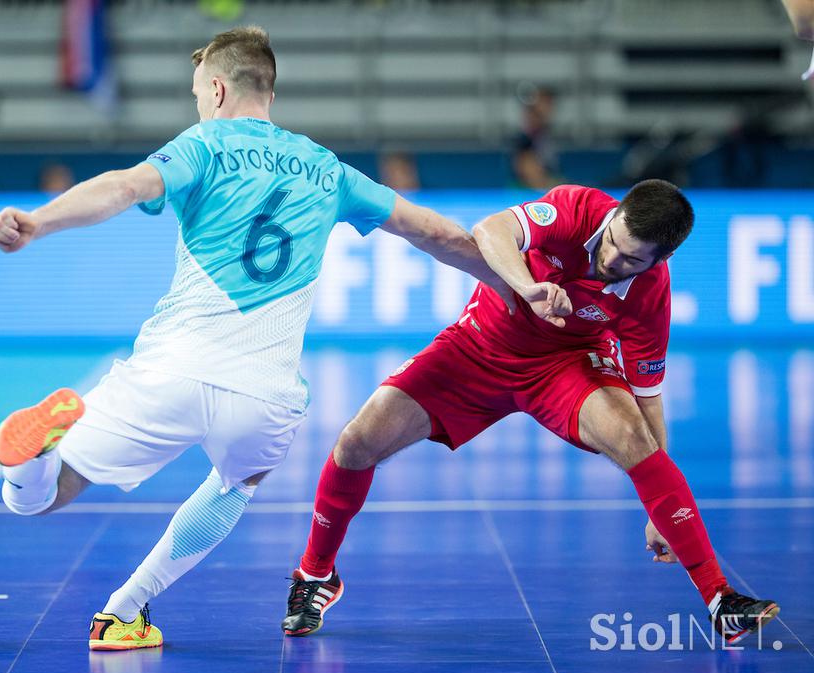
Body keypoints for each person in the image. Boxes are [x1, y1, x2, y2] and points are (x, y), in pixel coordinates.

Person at [0, 26, 513, 651]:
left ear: (220, 88)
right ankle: (125, 610)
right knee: (238, 481)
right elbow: (436, 234)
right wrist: (517, 287)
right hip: (263, 394)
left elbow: (123, 186)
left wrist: (37, 222)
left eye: (199, 94)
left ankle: (34, 464)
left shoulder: (203, 144)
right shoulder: (327, 168)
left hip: (172, 371)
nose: (198, 106)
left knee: (43, 499)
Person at [281, 181, 780, 645]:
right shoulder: (576, 208)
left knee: (632, 435)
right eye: (612, 241)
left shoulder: (652, 293)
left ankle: (720, 599)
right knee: (357, 442)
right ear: (617, 215)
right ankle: (316, 574)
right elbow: (490, 231)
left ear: (661, 259)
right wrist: (528, 287)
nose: (611, 259)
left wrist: (658, 503)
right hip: (477, 347)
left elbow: (648, 394)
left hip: (566, 366)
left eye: (630, 260)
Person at [511, 85, 562, 190]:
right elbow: (529, 171)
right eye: (546, 103)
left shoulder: (544, 134)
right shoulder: (525, 140)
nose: (550, 108)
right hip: (529, 191)